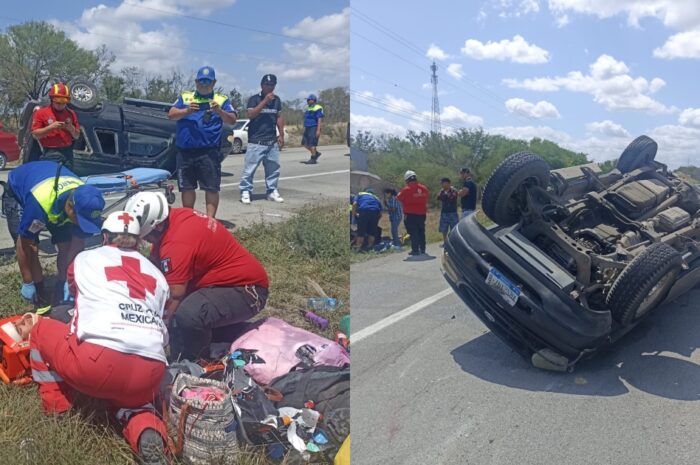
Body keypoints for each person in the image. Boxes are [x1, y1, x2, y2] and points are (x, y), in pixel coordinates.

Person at [27, 210, 171, 465]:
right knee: (133, 401)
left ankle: (57, 408)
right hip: (150, 370)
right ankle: (147, 430)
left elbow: (76, 293)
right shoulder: (158, 275)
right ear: (139, 241)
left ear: (105, 237)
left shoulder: (86, 258)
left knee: (40, 331)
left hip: (97, 362)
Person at [125, 192, 269, 361]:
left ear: (157, 226)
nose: (148, 241)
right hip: (223, 284)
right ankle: (227, 334)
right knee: (184, 318)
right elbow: (153, 269)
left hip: (247, 291)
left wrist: (154, 334)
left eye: (147, 236)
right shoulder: (178, 216)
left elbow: (174, 296)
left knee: (188, 315)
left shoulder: (177, 243)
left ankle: (196, 363)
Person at [6, 160, 105, 306]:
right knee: (32, 247)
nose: (82, 225)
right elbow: (25, 244)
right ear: (70, 208)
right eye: (81, 221)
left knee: (66, 244)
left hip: (54, 189)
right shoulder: (38, 206)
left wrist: (68, 280)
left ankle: (60, 287)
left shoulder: (86, 200)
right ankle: (39, 293)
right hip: (21, 188)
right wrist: (28, 280)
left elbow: (77, 245)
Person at [168, 66, 237, 218]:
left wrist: (220, 111)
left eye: (208, 81)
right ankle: (189, 218)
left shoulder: (221, 99)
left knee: (211, 188)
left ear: (214, 82)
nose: (204, 84)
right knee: (186, 187)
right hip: (185, 152)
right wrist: (186, 111)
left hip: (209, 153)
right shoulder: (185, 97)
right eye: (201, 81)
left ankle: (210, 221)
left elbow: (232, 120)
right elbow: (171, 114)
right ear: (196, 81)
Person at [239, 74, 285, 205]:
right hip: (256, 141)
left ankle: (272, 191)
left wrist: (281, 134)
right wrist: (264, 101)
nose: (270, 87)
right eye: (267, 84)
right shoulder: (254, 99)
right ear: (262, 85)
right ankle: (246, 191)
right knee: (249, 169)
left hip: (271, 141)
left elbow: (279, 117)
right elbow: (251, 114)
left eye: (272, 85)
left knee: (273, 169)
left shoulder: (277, 100)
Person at [31, 82, 81, 168]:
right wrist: (51, 127)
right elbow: (35, 134)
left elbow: (77, 136)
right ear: (52, 99)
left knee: (67, 178)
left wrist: (71, 128)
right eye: (58, 102)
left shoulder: (71, 114)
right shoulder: (41, 113)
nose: (60, 105)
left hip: (68, 153)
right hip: (50, 153)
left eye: (63, 102)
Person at [396, 170, 429, 256]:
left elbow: (398, 198)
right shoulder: (424, 188)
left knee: (413, 232)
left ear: (407, 180)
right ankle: (422, 249)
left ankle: (415, 250)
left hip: (410, 215)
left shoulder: (406, 189)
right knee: (421, 231)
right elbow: (426, 198)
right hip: (422, 214)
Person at [302, 94, 324, 164]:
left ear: (313, 100)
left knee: (312, 144)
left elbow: (319, 119)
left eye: (309, 99)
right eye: (307, 100)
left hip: (314, 127)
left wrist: (318, 130)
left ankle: (313, 159)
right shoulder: (308, 108)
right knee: (305, 144)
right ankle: (316, 153)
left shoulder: (318, 108)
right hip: (307, 127)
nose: (307, 101)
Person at [437, 177, 459, 246]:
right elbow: (439, 197)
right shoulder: (442, 191)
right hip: (444, 212)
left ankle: (454, 242)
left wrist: (445, 196)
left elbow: (451, 198)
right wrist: (445, 195)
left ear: (447, 183)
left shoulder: (454, 190)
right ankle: (445, 242)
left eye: (443, 183)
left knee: (454, 228)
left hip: (452, 212)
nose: (442, 185)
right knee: (444, 229)